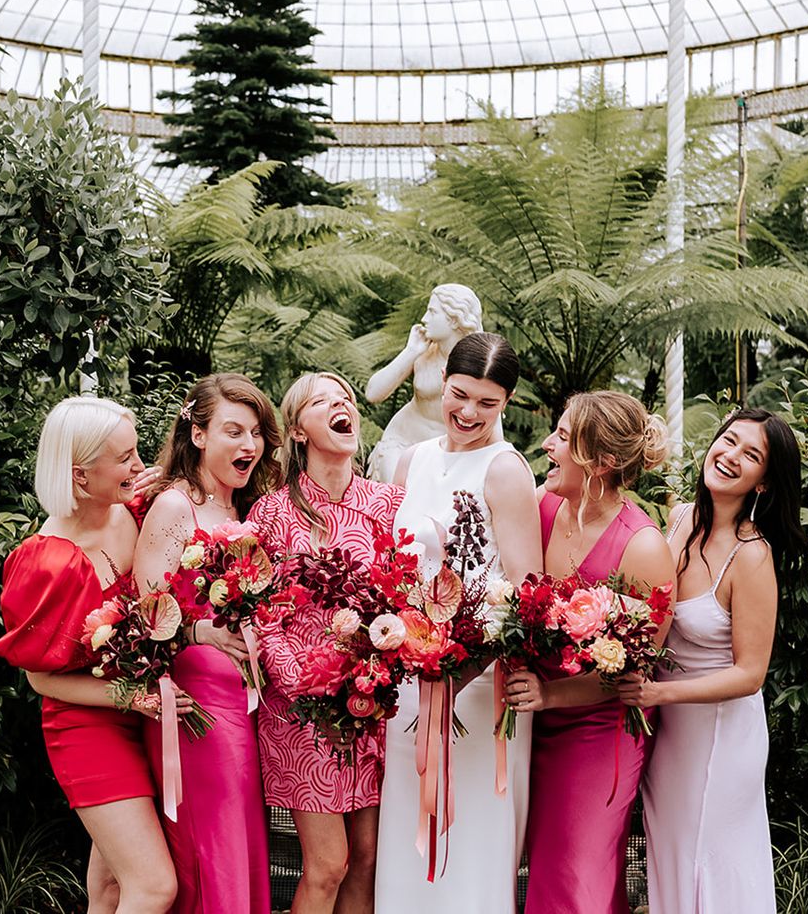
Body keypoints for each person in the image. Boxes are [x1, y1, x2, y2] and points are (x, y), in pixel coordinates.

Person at [0, 396, 185, 914]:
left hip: (146, 712)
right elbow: (40, 681)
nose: (139, 466)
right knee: (153, 885)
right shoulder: (46, 563)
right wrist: (134, 697)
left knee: (110, 890)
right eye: (125, 458)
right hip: (88, 728)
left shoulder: (139, 507)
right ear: (80, 476)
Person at [375, 331, 542, 914]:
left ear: (507, 403)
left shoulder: (506, 470)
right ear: (442, 384)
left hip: (475, 685)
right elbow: (389, 568)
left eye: (487, 402)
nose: (469, 412)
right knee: (406, 834)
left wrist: (458, 669)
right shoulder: (407, 462)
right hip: (407, 685)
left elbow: (525, 593)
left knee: (471, 838)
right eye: (460, 394)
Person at [617, 408, 806, 914]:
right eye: (729, 441)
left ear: (764, 483)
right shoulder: (678, 519)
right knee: (672, 856)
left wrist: (659, 692)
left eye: (752, 455)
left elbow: (750, 674)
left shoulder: (751, 555)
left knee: (714, 865)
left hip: (721, 739)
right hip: (668, 732)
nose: (731, 456)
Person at [503, 390, 674, 914]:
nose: (547, 445)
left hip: (598, 733)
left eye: (561, 437)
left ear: (599, 462)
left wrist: (551, 694)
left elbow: (638, 668)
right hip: (530, 720)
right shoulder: (541, 506)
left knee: (578, 881)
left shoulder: (643, 547)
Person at [249, 372, 404, 914]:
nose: (342, 406)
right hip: (300, 711)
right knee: (328, 863)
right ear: (296, 431)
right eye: (323, 402)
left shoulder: (389, 504)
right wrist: (299, 680)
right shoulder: (271, 511)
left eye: (346, 399)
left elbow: (403, 596)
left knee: (365, 857)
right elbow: (260, 607)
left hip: (371, 704)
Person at [134, 373, 281, 914]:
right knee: (209, 852)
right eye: (233, 432)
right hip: (195, 712)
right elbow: (143, 619)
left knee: (238, 847)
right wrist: (201, 631)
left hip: (243, 712)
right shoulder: (177, 508)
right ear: (197, 435)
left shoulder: (245, 512)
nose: (250, 446)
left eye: (257, 433)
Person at [365, 283, 485, 483]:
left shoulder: (479, 365)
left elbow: (493, 419)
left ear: (454, 321)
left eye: (432, 312)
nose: (424, 319)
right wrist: (411, 351)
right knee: (398, 500)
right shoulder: (423, 353)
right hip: (401, 442)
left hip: (448, 453)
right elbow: (373, 393)